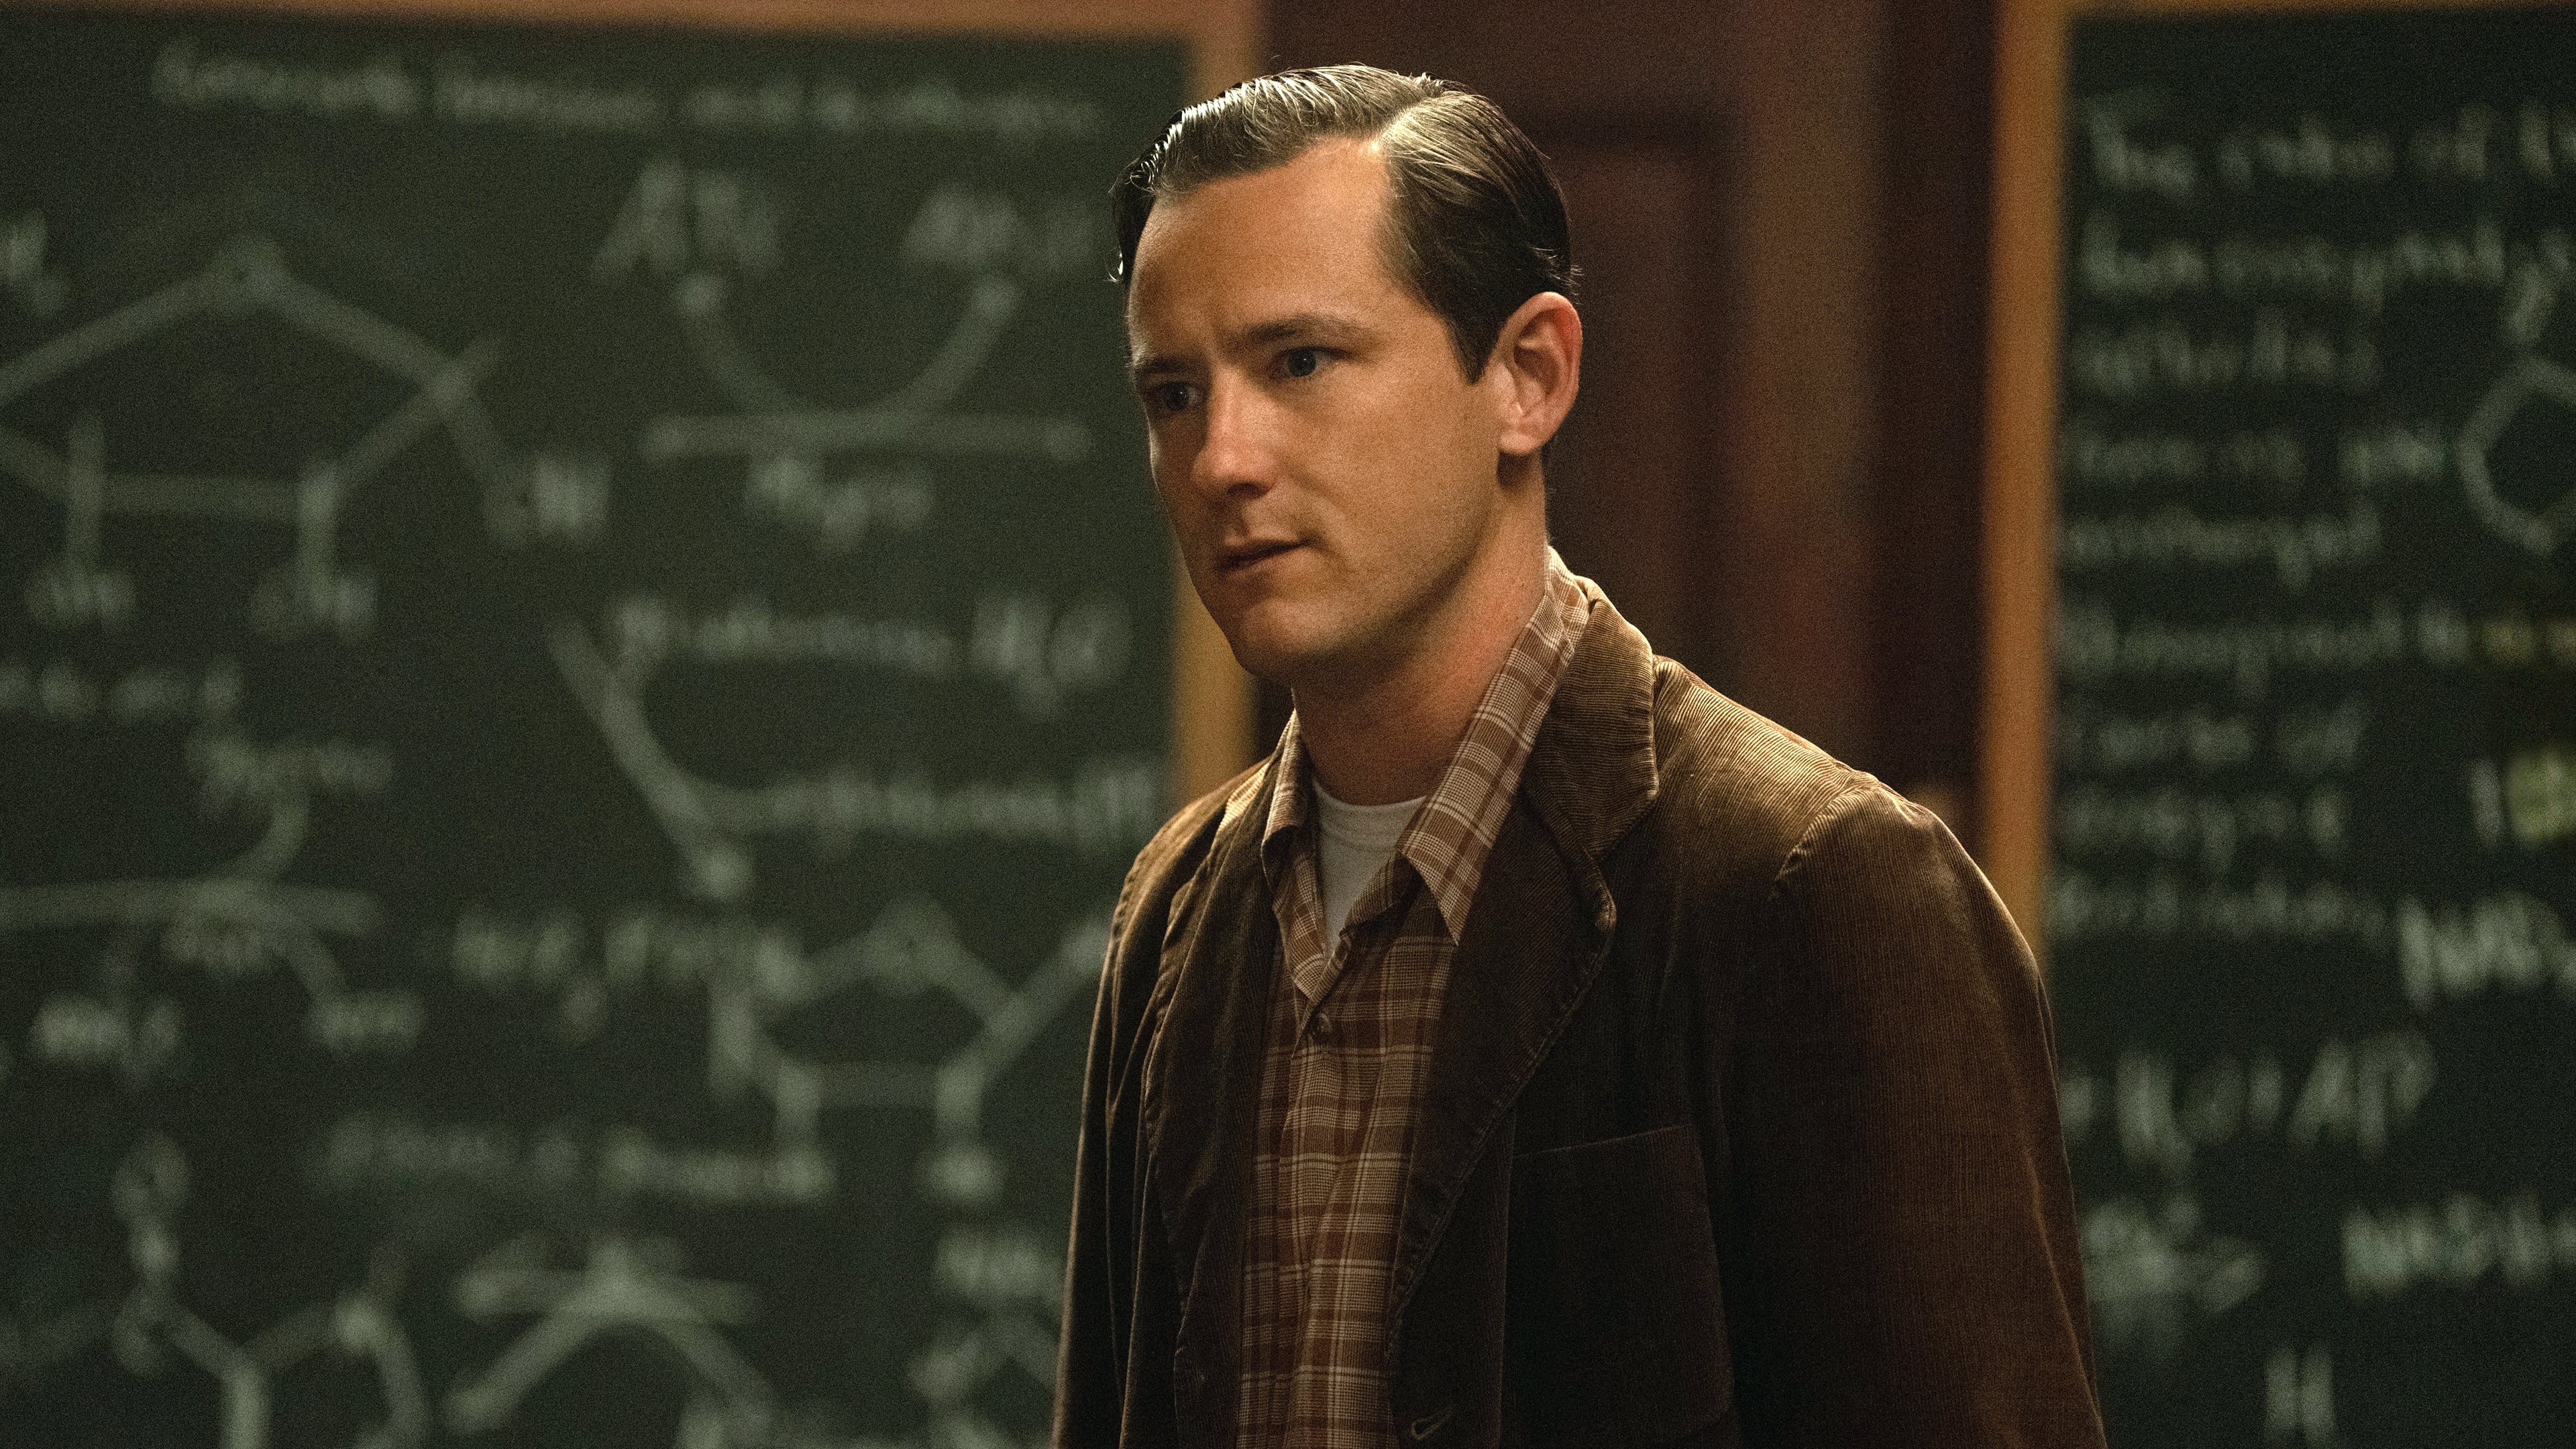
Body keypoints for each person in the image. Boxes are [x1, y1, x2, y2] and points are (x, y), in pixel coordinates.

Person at [1054, 64, 2103, 1448]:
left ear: (1529, 377)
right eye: (1174, 393)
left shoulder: (1814, 887)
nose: (1222, 458)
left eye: (1300, 362)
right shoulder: (1182, 911)